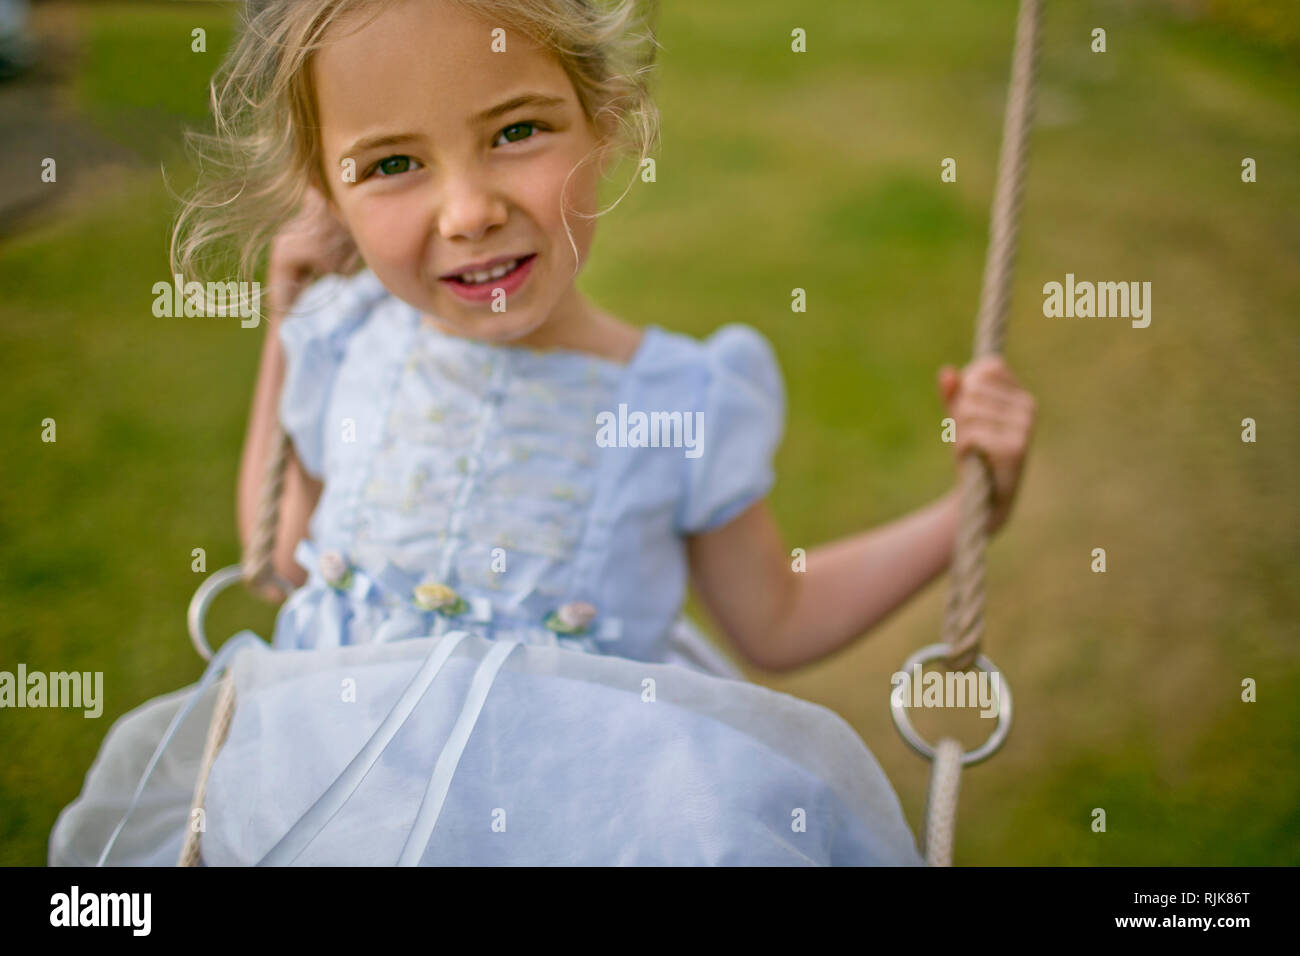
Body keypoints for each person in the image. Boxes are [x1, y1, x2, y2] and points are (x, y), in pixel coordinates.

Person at [50, 0, 1035, 866]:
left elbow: (776, 620)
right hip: (328, 791)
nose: (471, 210)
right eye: (393, 163)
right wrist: (285, 317)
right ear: (326, 189)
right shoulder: (343, 337)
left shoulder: (681, 396)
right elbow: (277, 561)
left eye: (517, 129)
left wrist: (969, 510)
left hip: (584, 812)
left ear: (605, 119)